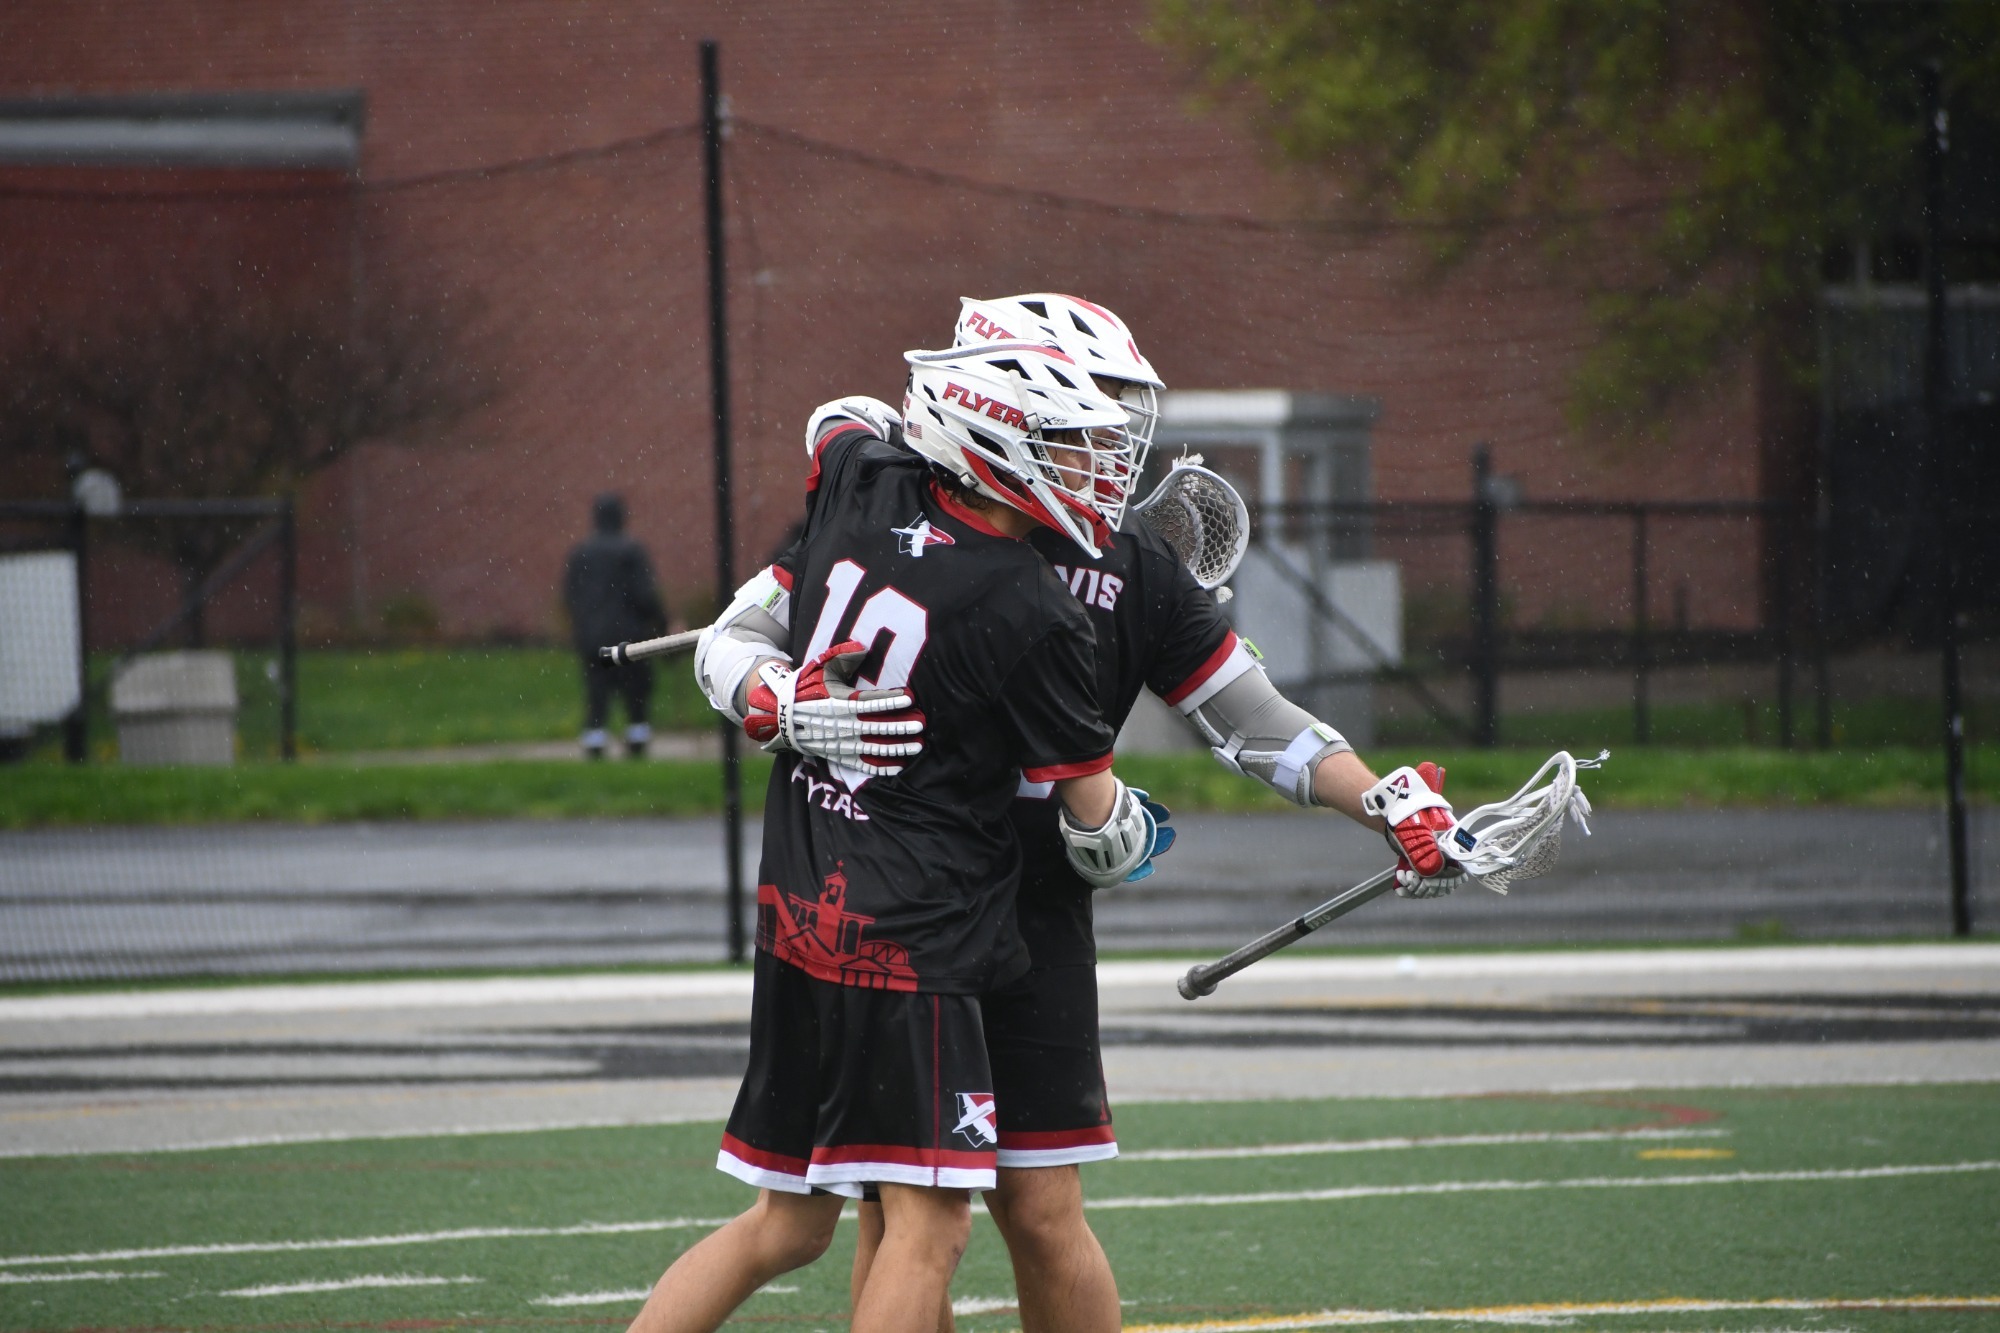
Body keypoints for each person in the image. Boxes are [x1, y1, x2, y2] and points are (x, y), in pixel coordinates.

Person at [716, 294, 1463, 1333]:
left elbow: (1249, 718)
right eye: (1085, 419)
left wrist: (1380, 798)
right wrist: (774, 694)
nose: (1107, 447)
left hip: (1027, 912)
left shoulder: (1132, 559)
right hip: (913, 890)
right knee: (905, 1208)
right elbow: (749, 631)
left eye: (1112, 418)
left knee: (1035, 1201)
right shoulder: (903, 501)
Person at [623, 342, 1173, 1333]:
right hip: (914, 932)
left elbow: (833, 416)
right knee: (929, 1231)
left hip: (798, 905)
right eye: (1069, 444)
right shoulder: (1030, 605)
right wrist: (1130, 836)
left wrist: (773, 697)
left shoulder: (864, 487)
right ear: (997, 441)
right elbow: (1090, 815)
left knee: (783, 1226)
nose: (1096, 469)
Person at [563, 493, 669, 759]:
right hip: (629, 635)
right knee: (636, 688)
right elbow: (644, 594)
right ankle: (636, 736)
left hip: (592, 635)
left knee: (597, 688)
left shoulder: (581, 553)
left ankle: (595, 738)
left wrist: (583, 624)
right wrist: (662, 621)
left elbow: (571, 594)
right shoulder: (631, 551)